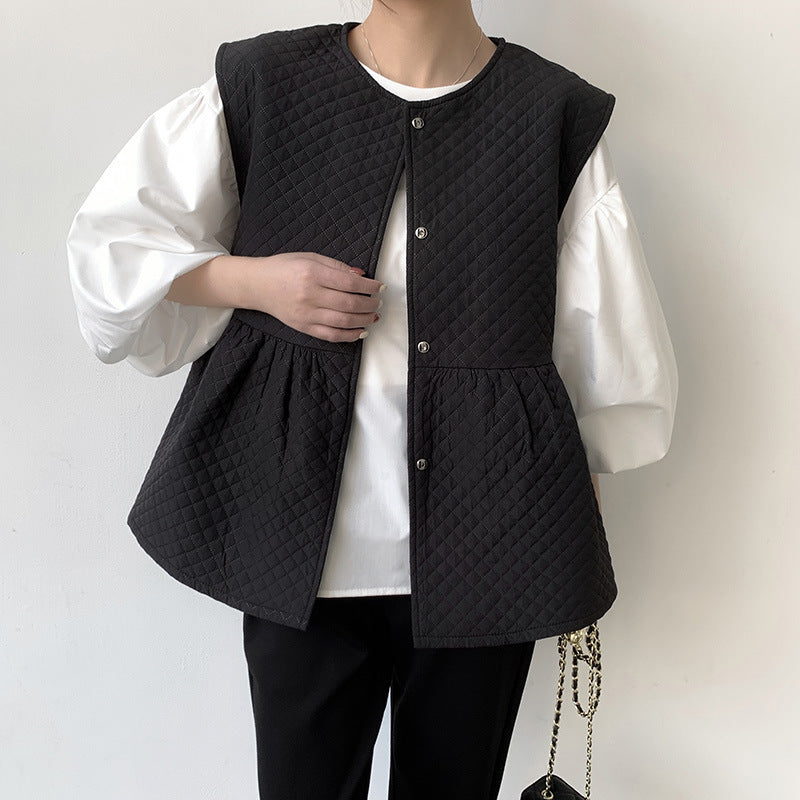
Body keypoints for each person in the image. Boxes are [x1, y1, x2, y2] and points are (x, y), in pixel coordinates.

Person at [66, 2, 678, 798]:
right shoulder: (266, 84)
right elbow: (110, 254)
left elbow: (603, 359)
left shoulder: (551, 112)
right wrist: (255, 282)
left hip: (490, 547)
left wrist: (568, 543)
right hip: (301, 552)